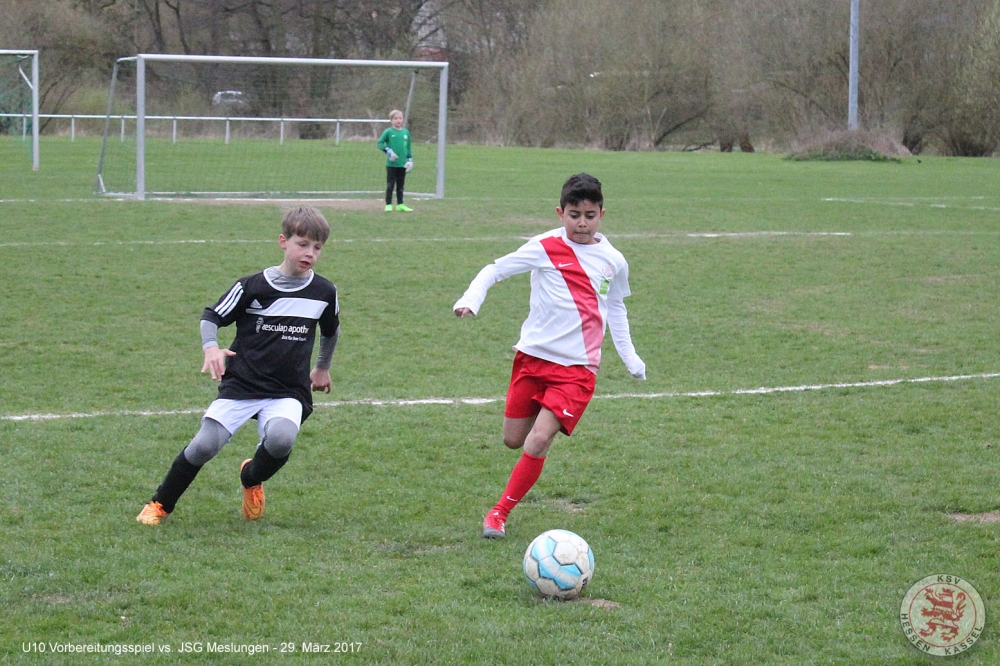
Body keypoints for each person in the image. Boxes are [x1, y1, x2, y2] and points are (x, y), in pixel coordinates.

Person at [453, 173, 646, 539]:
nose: (582, 223)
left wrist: (630, 357)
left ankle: (498, 513)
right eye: (574, 215)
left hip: (577, 369)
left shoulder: (613, 261)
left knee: (538, 440)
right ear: (560, 213)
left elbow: (617, 307)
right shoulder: (544, 246)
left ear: (602, 215)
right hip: (533, 358)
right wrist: (471, 299)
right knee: (513, 439)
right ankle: (535, 442)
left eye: (590, 215)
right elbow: (494, 270)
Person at [136, 207, 341, 525]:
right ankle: (160, 503)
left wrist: (322, 367)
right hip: (243, 383)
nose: (310, 253)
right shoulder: (252, 286)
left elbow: (331, 330)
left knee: (282, 440)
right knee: (204, 446)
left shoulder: (324, 292)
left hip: (288, 389)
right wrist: (211, 347)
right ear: (283, 241)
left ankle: (251, 478)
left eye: (317, 247)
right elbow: (212, 316)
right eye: (302, 244)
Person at [376, 109, 413, 212]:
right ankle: (388, 204)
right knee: (390, 184)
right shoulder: (388, 132)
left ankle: (400, 204)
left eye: (400, 118)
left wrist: (410, 159)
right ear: (391, 120)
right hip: (392, 164)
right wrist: (387, 150)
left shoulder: (406, 132)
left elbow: (408, 146)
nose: (398, 120)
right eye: (395, 118)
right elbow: (380, 143)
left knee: (400, 185)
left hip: (403, 164)